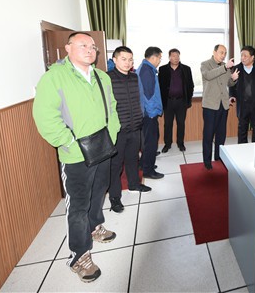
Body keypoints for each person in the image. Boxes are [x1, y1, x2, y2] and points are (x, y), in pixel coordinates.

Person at [32, 32, 119, 283]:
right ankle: (79, 255)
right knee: (78, 205)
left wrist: (112, 133)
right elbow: (45, 117)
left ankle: (95, 226)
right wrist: (68, 142)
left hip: (103, 146)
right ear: (68, 48)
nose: (90, 50)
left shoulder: (102, 76)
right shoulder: (54, 78)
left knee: (98, 192)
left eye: (92, 46)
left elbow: (112, 107)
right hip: (75, 154)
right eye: (83, 45)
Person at [107, 46, 151, 213]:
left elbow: (139, 100)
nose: (128, 63)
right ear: (115, 60)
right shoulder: (107, 78)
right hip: (118, 130)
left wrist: (140, 118)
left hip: (135, 127)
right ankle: (115, 198)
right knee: (116, 165)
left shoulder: (134, 77)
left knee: (133, 159)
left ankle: (134, 184)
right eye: (124, 59)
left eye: (130, 59)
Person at [200, 44, 239, 170]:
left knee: (221, 134)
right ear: (214, 52)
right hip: (210, 105)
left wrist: (233, 79)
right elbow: (208, 75)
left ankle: (219, 157)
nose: (223, 55)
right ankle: (207, 161)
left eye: (225, 53)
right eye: (221, 52)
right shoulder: (205, 64)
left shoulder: (225, 66)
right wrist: (225, 67)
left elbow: (228, 83)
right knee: (208, 134)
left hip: (223, 104)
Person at [159, 48, 194, 153]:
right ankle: (167, 144)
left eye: (177, 56)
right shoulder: (163, 69)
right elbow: (160, 86)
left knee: (181, 123)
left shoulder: (186, 69)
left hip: (181, 101)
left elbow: (191, 85)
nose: (176, 58)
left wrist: (188, 99)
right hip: (168, 102)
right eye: (173, 56)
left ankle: (180, 143)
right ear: (169, 57)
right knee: (168, 124)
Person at [138, 46, 164, 180]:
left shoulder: (146, 68)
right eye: (159, 58)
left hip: (148, 112)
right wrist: (153, 112)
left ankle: (144, 164)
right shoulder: (147, 71)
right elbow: (148, 96)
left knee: (148, 141)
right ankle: (148, 170)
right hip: (149, 113)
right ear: (153, 57)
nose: (159, 61)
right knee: (151, 142)